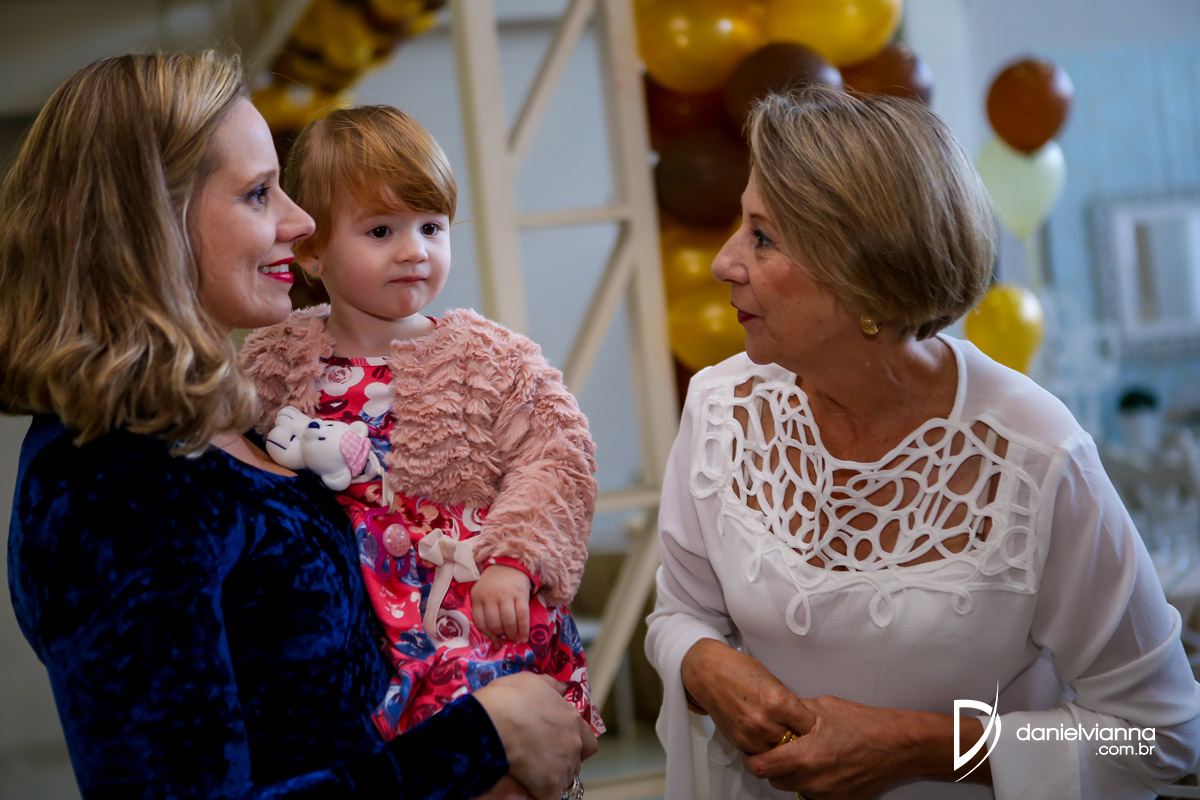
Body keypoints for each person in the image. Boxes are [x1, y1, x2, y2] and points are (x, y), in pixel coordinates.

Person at [1, 50, 595, 800]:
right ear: (151, 222)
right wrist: (484, 739)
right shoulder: (109, 485)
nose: (302, 220)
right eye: (259, 193)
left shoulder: (222, 414)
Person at [645, 85, 1200, 800]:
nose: (723, 262)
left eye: (763, 236)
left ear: (864, 271)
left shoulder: (1038, 454)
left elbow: (1161, 736)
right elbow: (678, 614)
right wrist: (701, 662)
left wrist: (921, 747)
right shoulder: (722, 409)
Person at [238, 104, 604, 743]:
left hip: (479, 611)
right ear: (312, 251)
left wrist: (516, 561)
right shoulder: (273, 360)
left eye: (431, 227)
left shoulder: (489, 356)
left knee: (508, 758)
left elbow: (559, 455)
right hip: (357, 631)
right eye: (381, 231)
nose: (415, 251)